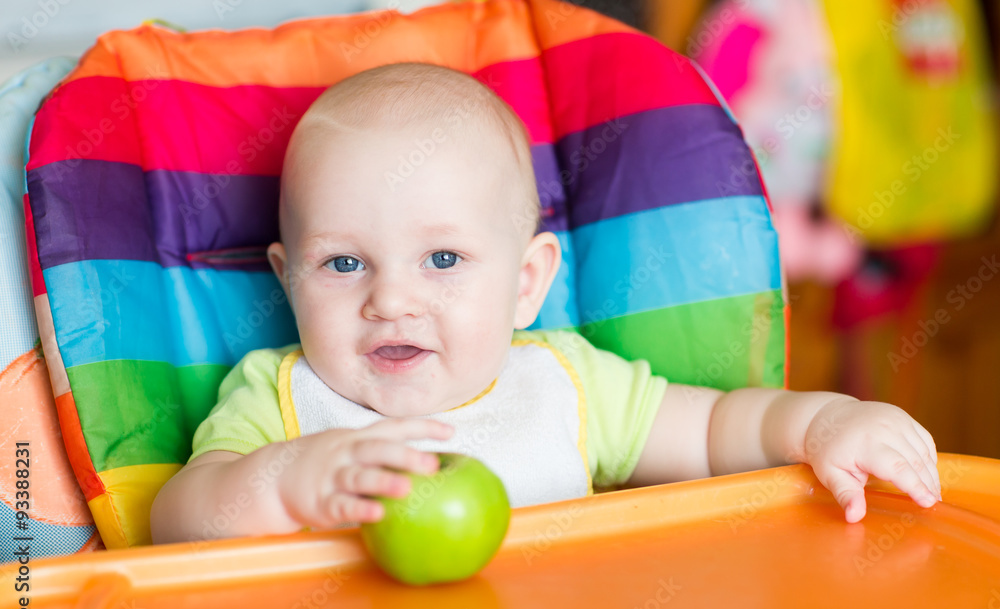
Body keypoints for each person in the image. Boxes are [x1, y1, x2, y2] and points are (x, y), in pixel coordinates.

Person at [150, 63, 940, 544]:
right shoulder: (282, 397)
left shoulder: (566, 385)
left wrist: (822, 422)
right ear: (287, 277)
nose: (390, 299)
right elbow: (177, 518)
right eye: (344, 262)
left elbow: (712, 429)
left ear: (527, 282)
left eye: (444, 258)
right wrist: (286, 483)